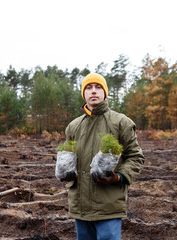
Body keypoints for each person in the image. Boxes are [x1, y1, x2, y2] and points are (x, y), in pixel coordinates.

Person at [58, 72, 145, 240]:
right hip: (80, 206)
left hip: (108, 205)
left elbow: (136, 156)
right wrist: (65, 171)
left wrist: (119, 177)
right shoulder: (73, 126)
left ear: (105, 93)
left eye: (98, 87)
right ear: (83, 94)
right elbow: (69, 158)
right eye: (88, 87)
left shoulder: (121, 122)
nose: (93, 91)